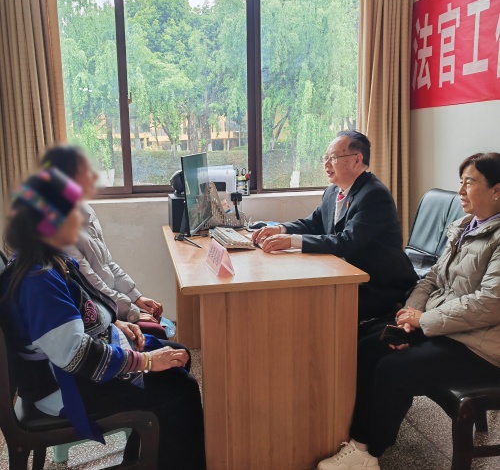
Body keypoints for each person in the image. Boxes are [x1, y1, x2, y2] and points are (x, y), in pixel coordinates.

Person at [0, 168, 206, 469]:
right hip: (64, 386)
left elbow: (81, 312)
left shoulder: (47, 258)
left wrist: (116, 324)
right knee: (180, 388)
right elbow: (74, 354)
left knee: (178, 355)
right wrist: (146, 362)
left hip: (72, 368)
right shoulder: (39, 280)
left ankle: (148, 455)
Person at [316, 152, 500, 470]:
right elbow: (432, 279)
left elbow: (489, 304)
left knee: (393, 367)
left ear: (497, 190)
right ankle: (357, 438)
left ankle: (368, 453)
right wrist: (410, 317)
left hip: (480, 348)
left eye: (469, 183)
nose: (460, 191)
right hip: (449, 328)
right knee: (367, 342)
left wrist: (424, 320)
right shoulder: (465, 226)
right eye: (460, 182)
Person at [253, 130, 418, 322]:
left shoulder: (374, 195)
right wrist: (281, 229)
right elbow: (313, 223)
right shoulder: (333, 191)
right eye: (325, 158)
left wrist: (291, 241)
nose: (326, 164)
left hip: (378, 286)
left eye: (333, 158)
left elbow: (346, 242)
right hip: (346, 275)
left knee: (312, 305)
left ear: (357, 160)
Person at [40, 146, 167, 339]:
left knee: (160, 324)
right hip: (97, 307)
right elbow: (90, 283)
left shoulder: (86, 211)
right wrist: (129, 311)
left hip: (110, 299)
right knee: (159, 331)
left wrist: (136, 296)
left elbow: (108, 263)